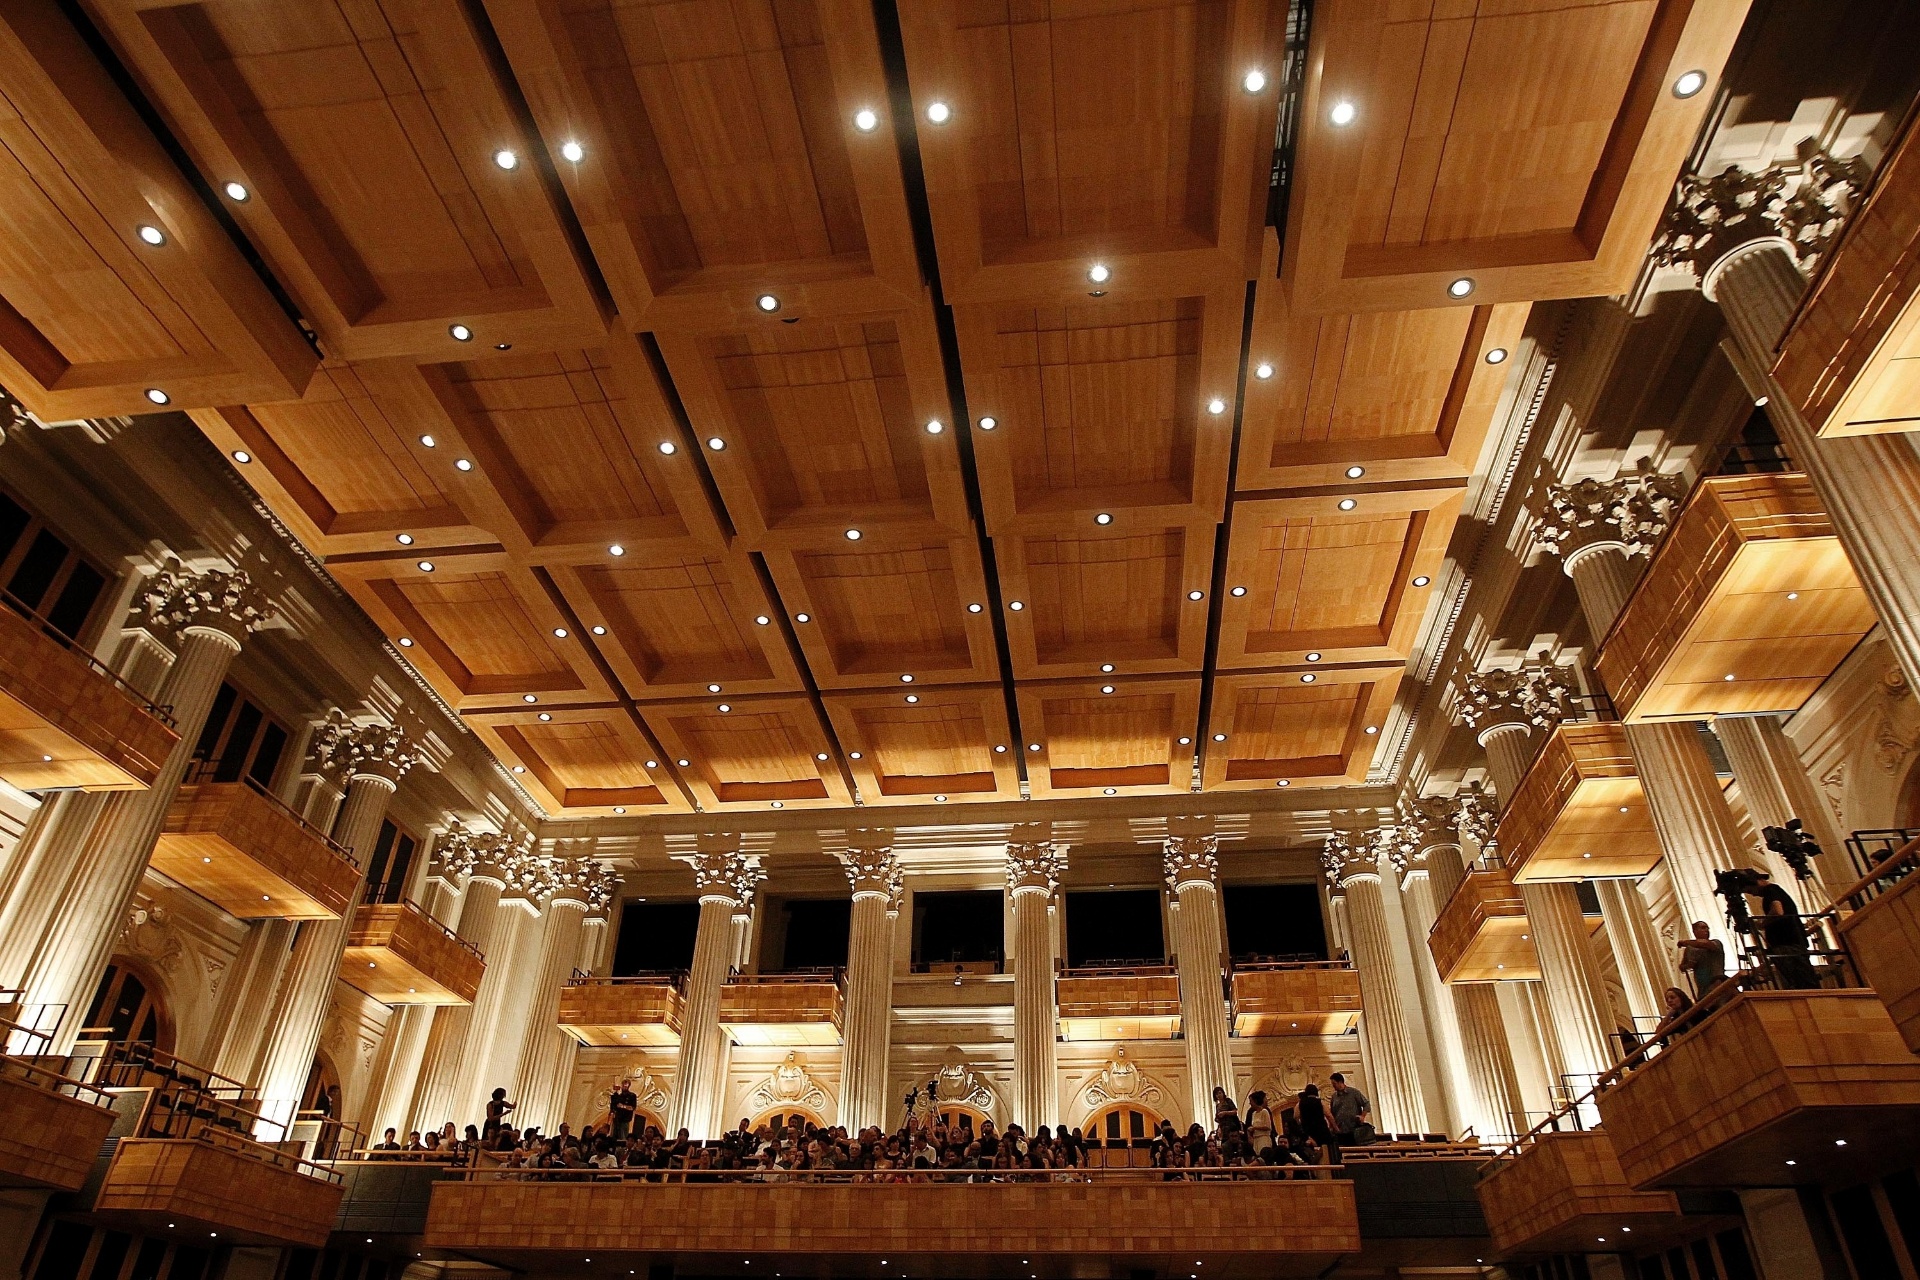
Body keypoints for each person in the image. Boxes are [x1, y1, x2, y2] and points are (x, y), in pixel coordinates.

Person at [1753, 872, 1818, 989]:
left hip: (1786, 943)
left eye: (1750, 890)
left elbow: (1778, 911)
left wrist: (1763, 923)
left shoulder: (1770, 890)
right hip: (1791, 941)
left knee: (1800, 980)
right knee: (1802, 979)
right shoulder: (1776, 891)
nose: (1753, 894)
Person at [1327, 1073, 1372, 1161]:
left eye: (1334, 1084)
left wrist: (1362, 1116)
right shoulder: (1334, 1097)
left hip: (1353, 1129)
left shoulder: (1354, 1092)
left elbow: (1366, 1104)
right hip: (1340, 1131)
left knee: (1356, 1154)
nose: (1333, 1086)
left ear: (1340, 1082)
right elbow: (1332, 1113)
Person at [1676, 921, 1726, 996]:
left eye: (1707, 928)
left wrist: (1685, 942)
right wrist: (1690, 964)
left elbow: (1704, 944)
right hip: (1703, 987)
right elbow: (1683, 967)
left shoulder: (1716, 943)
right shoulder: (1690, 949)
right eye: (1703, 928)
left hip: (1718, 982)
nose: (1706, 930)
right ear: (1695, 931)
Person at [1295, 1084, 1332, 1162]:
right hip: (1321, 1130)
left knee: (1312, 1153)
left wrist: (1300, 1124)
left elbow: (1295, 1116)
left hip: (1308, 1131)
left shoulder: (1300, 1103)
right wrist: (1334, 1127)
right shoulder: (1320, 1102)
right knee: (1326, 1152)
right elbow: (1329, 1115)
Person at [1245, 1089, 1276, 1158]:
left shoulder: (1264, 1111)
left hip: (1264, 1138)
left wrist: (1255, 1128)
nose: (1250, 1103)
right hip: (1256, 1138)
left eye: (1251, 1101)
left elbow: (1268, 1127)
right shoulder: (1253, 1113)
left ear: (1255, 1101)